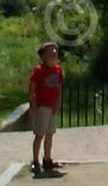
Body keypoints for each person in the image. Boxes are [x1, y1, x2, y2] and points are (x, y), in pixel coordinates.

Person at [29, 42, 64, 178]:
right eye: (50, 51)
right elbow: (32, 89)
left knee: (50, 133)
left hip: (52, 106)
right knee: (40, 134)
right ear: (43, 56)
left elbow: (58, 88)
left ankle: (47, 159)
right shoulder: (39, 70)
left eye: (55, 51)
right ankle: (35, 160)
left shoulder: (58, 70)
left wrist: (58, 103)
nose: (54, 53)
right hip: (42, 106)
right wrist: (34, 105)